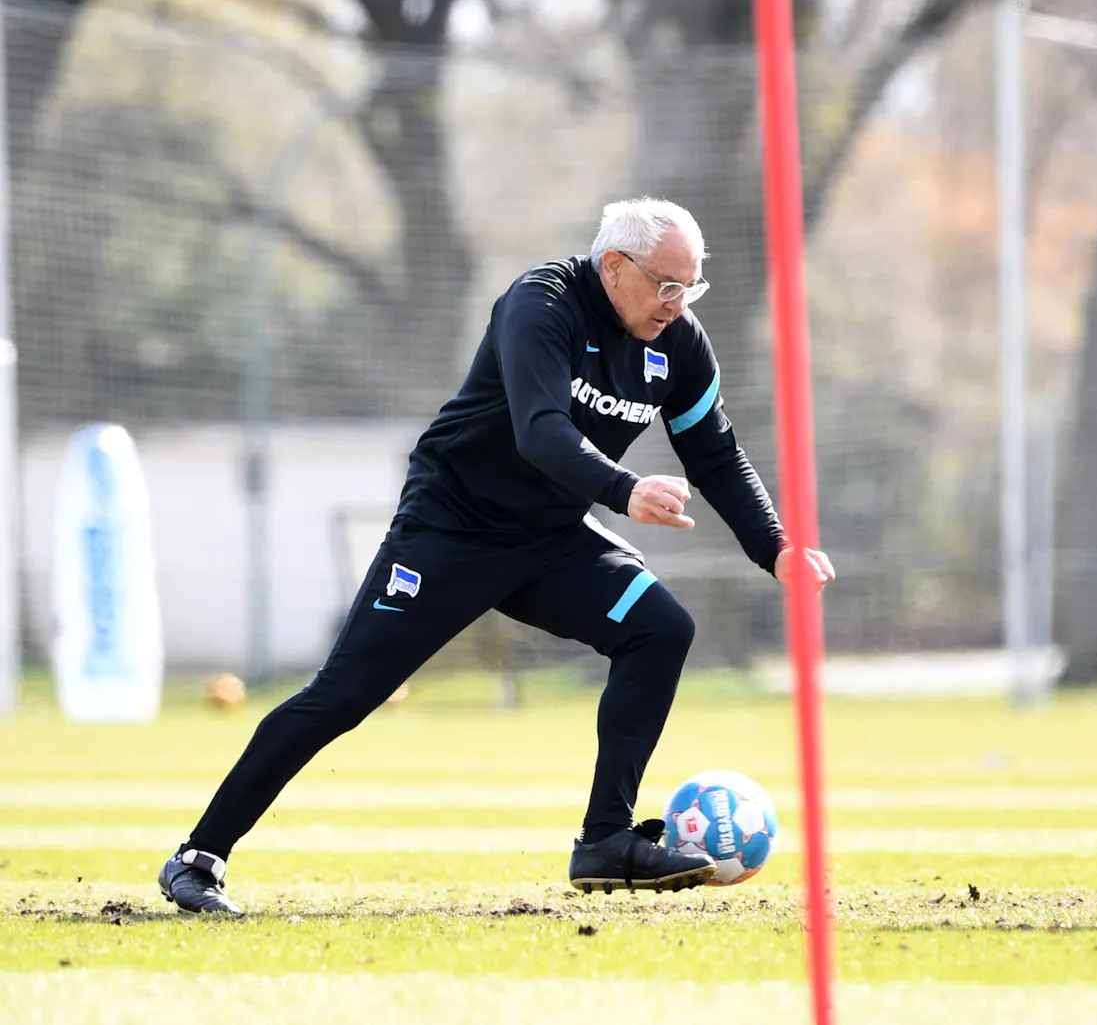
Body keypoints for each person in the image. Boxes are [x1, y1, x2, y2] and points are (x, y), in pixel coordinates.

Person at [158, 198, 834, 914]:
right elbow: (540, 431)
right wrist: (623, 489)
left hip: (548, 541)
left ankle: (604, 841)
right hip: (450, 530)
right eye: (665, 283)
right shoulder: (540, 304)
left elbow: (716, 454)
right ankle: (197, 859)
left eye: (688, 286)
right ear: (614, 266)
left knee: (661, 628)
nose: (676, 302)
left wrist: (777, 549)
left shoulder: (680, 345)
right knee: (341, 699)